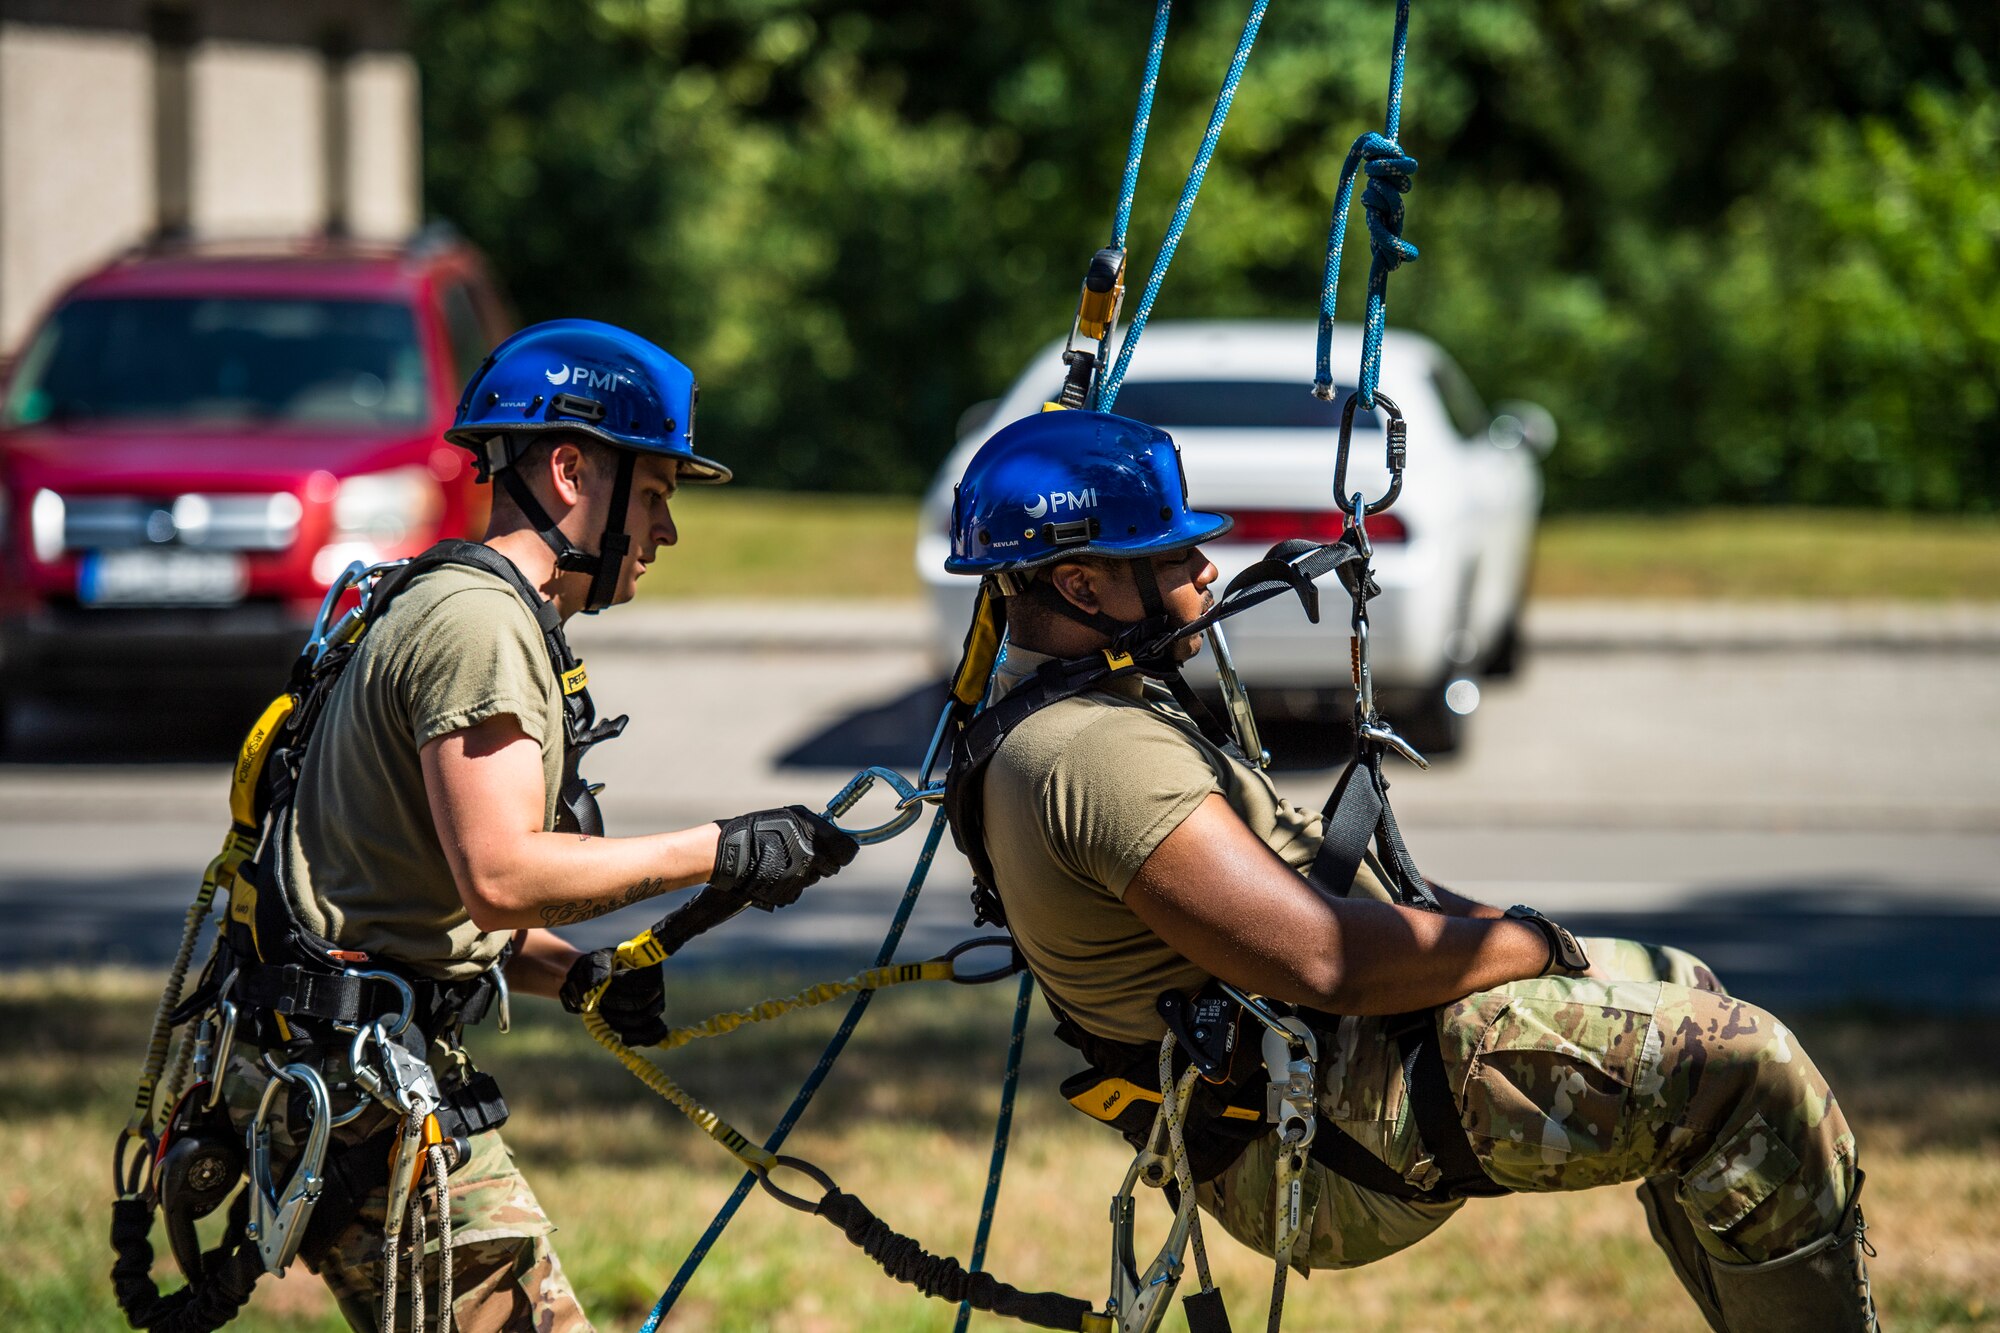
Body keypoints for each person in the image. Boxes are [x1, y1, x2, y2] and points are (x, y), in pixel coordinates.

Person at [938, 408, 1877, 1332]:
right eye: (1173, 554)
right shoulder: (1088, 754)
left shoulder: (1081, 716)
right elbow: (1323, 959)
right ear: (1081, 585)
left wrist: (1526, 939)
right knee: (1742, 1066)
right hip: (1312, 1127)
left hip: (1326, 1067)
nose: (1206, 568)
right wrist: (1526, 943)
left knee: (1684, 989)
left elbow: (1325, 898)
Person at [218, 319, 858, 1331]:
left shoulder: (456, 600)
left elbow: (414, 889)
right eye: (653, 493)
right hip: (363, 1093)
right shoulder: (482, 627)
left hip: (349, 1071)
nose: (666, 530)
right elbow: (502, 876)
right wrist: (724, 847)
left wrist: (579, 974)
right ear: (569, 471)